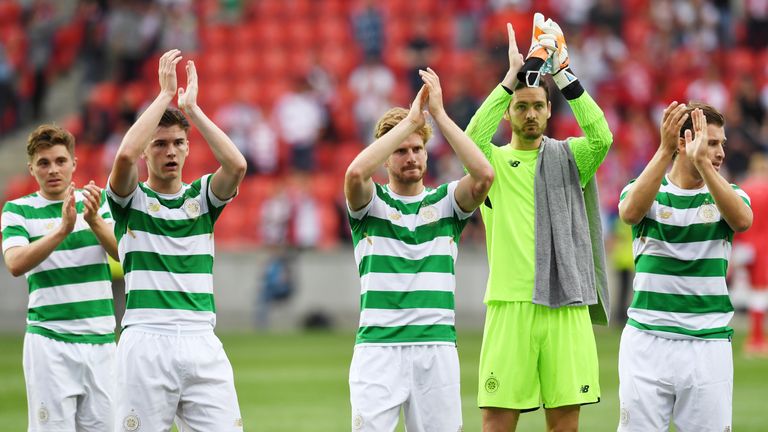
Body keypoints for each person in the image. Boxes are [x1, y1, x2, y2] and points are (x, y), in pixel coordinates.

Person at [466, 16, 612, 431]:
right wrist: (510, 80)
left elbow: (602, 138)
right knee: (496, 423)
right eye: (521, 106)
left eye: (538, 106)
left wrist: (564, 73)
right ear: (510, 112)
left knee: (563, 425)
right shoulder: (492, 164)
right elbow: (471, 139)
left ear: (549, 111)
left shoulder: (570, 159)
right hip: (509, 306)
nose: (530, 114)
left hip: (565, 305)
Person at [344, 68, 494, 431]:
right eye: (400, 150)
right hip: (378, 347)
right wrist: (410, 120)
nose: (411, 157)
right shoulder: (371, 203)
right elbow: (354, 174)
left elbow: (485, 175)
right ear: (386, 158)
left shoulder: (445, 201)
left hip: (436, 346)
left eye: (417, 148)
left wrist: (438, 117)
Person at [106, 49, 247, 431]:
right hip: (145, 338)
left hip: (202, 337)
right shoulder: (130, 200)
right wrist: (164, 97)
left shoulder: (201, 198)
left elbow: (236, 166)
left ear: (188, 147)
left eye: (178, 143)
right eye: (160, 143)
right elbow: (123, 158)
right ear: (147, 152)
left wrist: (193, 110)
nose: (170, 151)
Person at [617, 102, 752, 431]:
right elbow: (630, 212)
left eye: (722, 144)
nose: (720, 152)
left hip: (707, 343)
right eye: (711, 143)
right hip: (646, 339)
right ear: (684, 142)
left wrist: (704, 166)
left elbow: (742, 220)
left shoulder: (728, 195)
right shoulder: (650, 191)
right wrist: (664, 150)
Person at [1, 124, 118, 431]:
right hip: (50, 341)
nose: (53, 169)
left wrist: (93, 221)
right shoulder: (18, 210)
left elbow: (124, 254)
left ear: (74, 163)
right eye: (44, 163)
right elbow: (14, 263)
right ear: (31, 168)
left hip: (101, 339)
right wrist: (62, 230)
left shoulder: (97, 202)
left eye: (60, 161)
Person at [736, 153, 768, 356]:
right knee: (760, 293)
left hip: (744, 247)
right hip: (763, 247)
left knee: (748, 292)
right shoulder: (766, 190)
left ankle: (754, 338)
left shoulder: (743, 187)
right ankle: (757, 339)